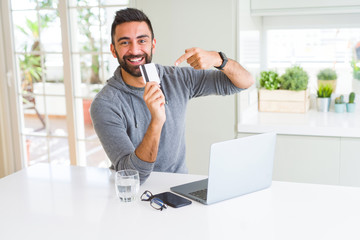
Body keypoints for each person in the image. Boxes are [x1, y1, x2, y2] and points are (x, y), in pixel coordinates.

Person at [90, 8, 254, 184]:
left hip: (178, 188)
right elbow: (132, 175)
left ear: (153, 44)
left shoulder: (177, 78)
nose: (135, 50)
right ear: (113, 50)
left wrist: (218, 59)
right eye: (124, 43)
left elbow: (245, 81)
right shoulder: (105, 104)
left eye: (142, 40)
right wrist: (156, 121)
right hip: (135, 194)